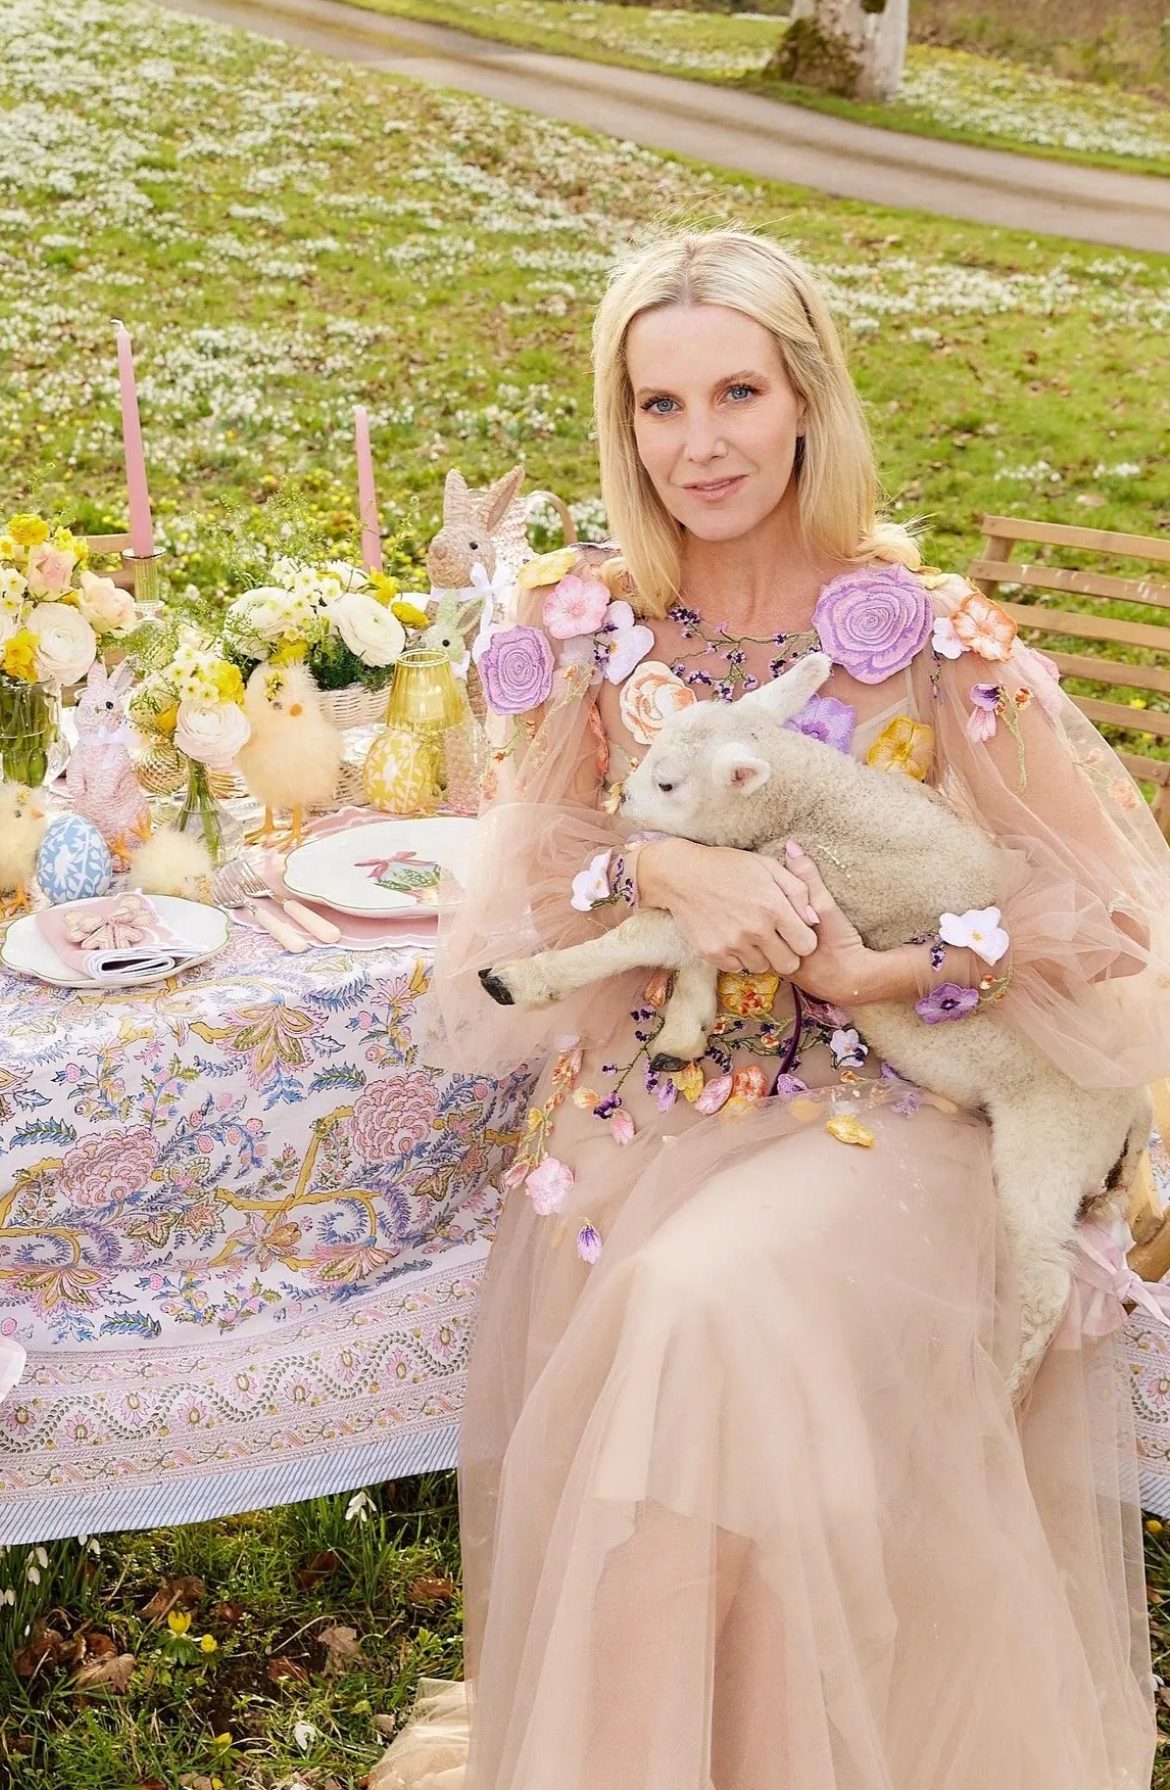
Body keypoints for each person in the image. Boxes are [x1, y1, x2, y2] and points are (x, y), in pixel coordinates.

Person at [376, 229, 1170, 1790]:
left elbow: (1105, 920)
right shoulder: (596, 631)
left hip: (896, 1113)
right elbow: (524, 892)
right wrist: (658, 864)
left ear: (808, 396)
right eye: (659, 404)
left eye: (737, 392)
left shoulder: (925, 634)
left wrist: (881, 973)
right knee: (676, 1405)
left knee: (698, 1312)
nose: (701, 444)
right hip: (649, 1114)